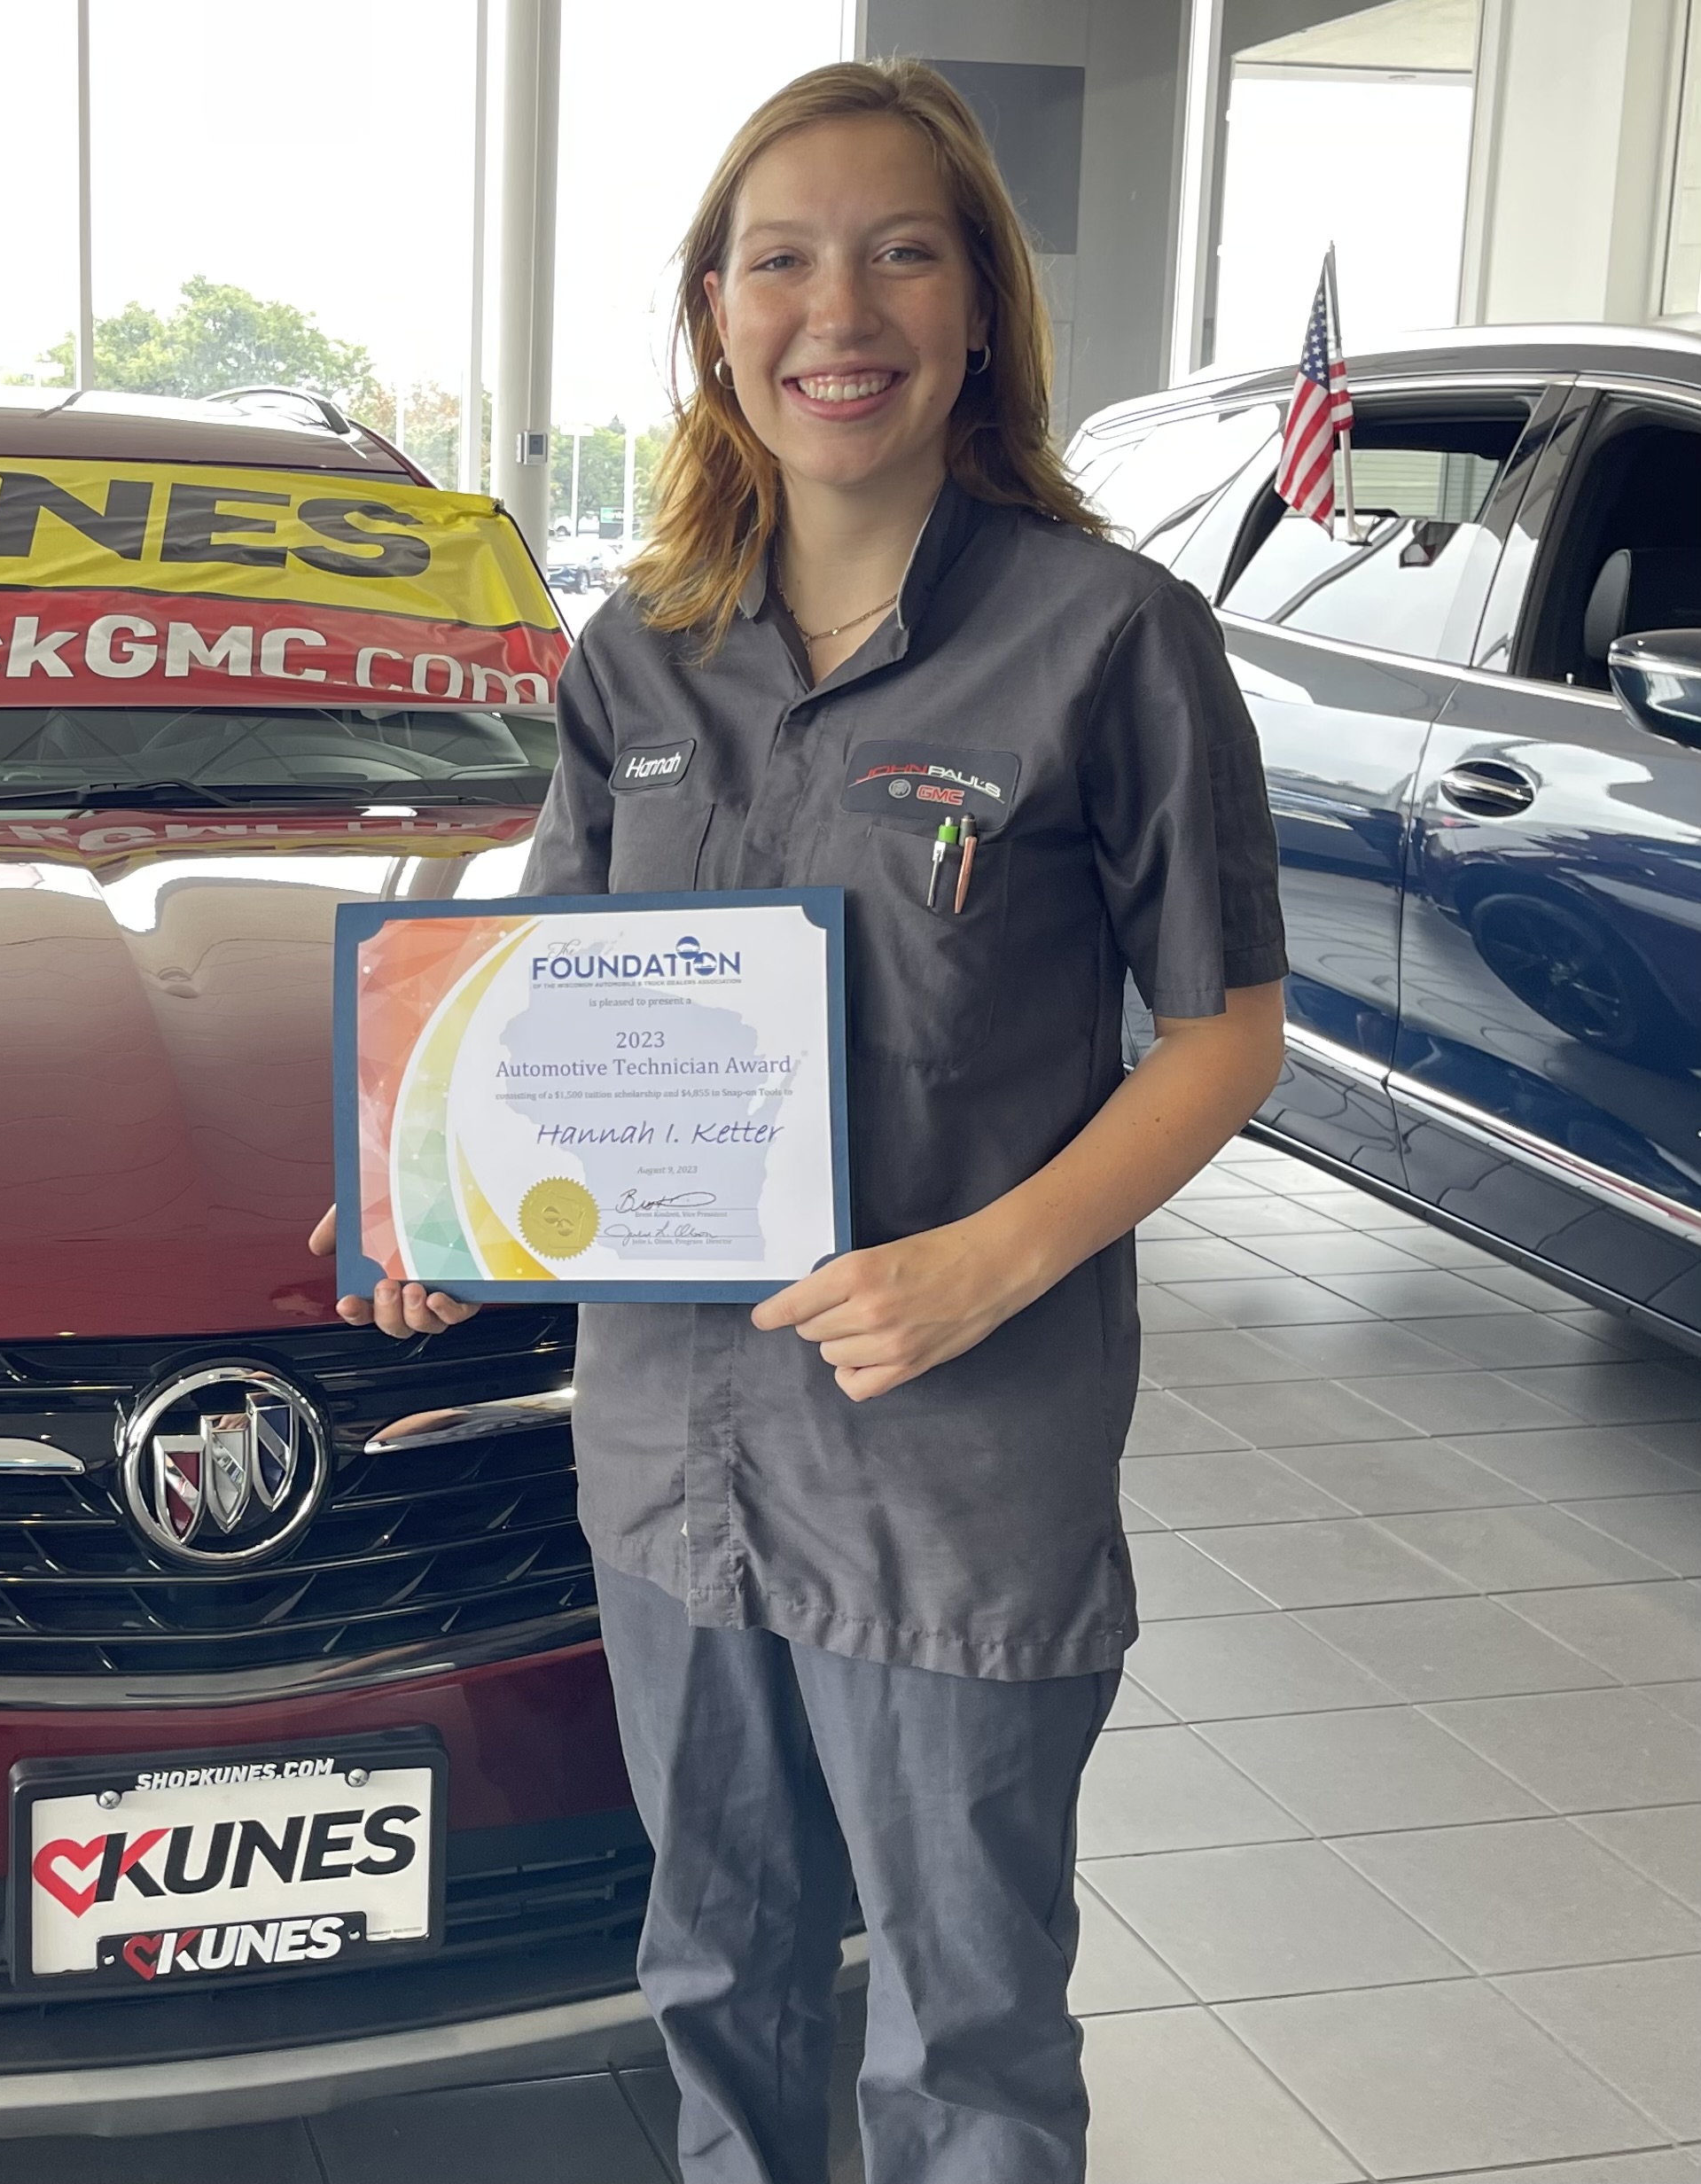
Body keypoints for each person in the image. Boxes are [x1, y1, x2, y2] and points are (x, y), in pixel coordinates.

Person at [309, 58, 1288, 2184]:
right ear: (713, 315)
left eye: (894, 252)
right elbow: (534, 1008)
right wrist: (427, 1199)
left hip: (955, 1457)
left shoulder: (1109, 638)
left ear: (972, 315)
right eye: (778, 259)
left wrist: (984, 1261)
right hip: (673, 1452)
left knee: (962, 2019)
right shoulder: (634, 661)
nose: (831, 309)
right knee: (714, 1962)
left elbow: (1225, 1034)